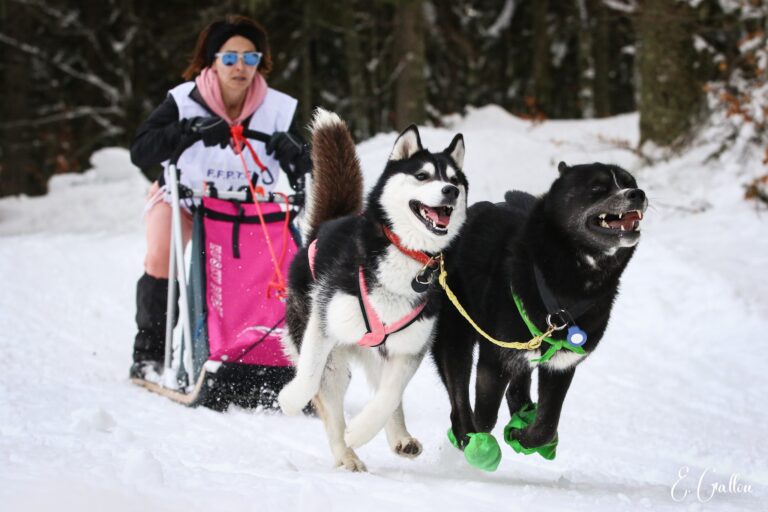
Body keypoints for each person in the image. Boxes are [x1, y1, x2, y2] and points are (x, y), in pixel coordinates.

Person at [129, 15, 311, 379]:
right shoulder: (184, 100)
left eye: (250, 58)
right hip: (183, 199)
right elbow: (141, 151)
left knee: (266, 272)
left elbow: (307, 168)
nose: (240, 67)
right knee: (161, 255)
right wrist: (187, 131)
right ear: (212, 61)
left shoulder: (278, 108)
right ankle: (150, 353)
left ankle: (258, 352)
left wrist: (297, 154)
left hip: (244, 209)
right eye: (229, 58)